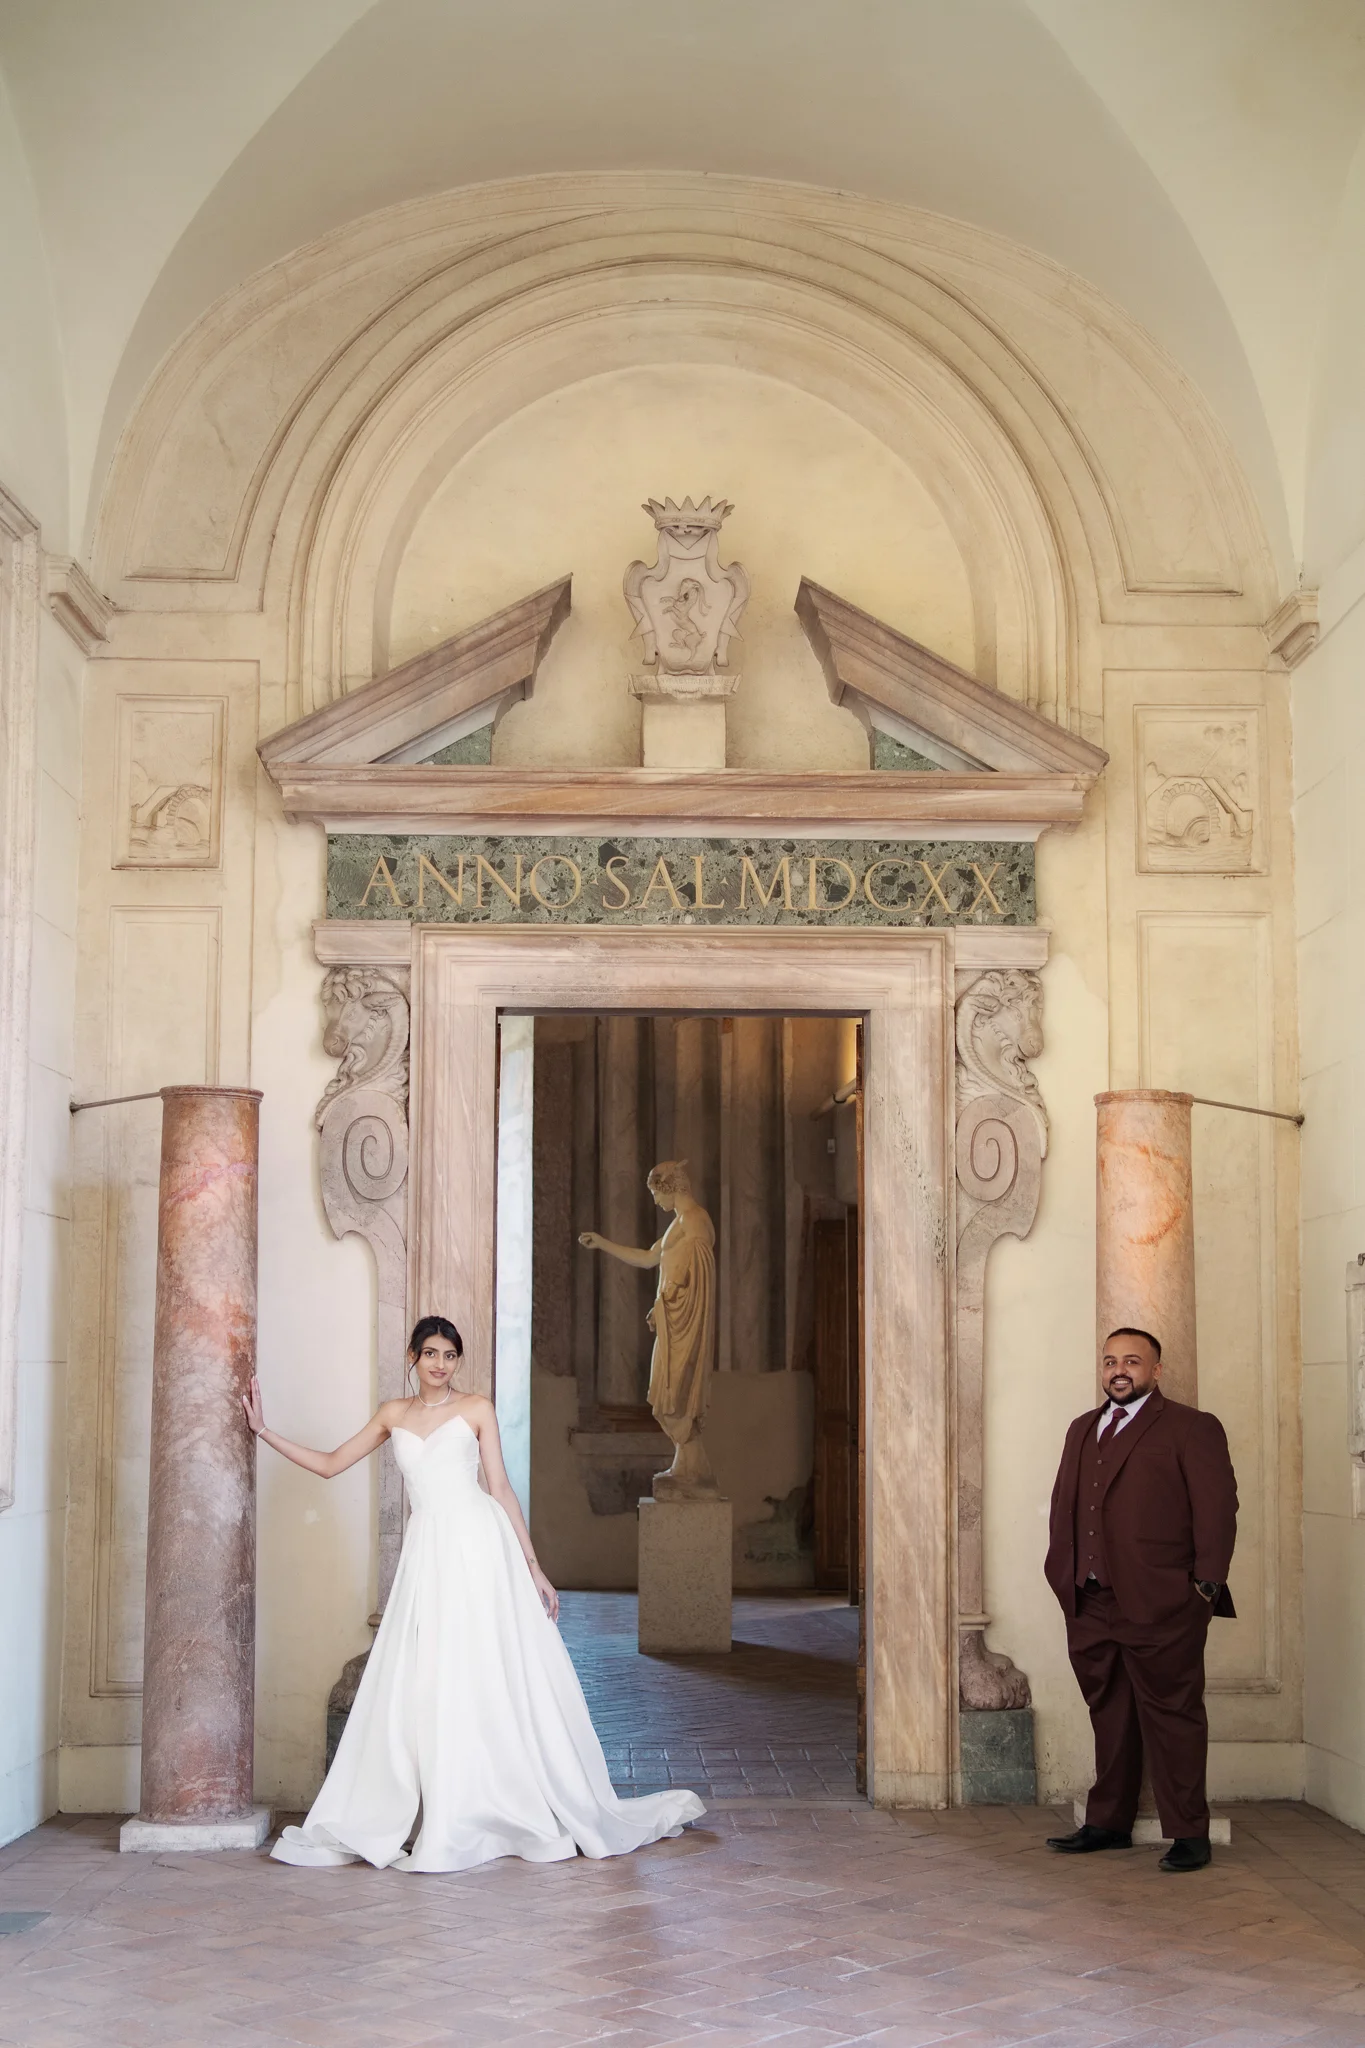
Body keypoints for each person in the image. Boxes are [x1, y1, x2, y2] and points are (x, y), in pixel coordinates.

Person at [244, 1314, 704, 1873]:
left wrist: (534, 1567)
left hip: (480, 1549)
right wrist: (264, 1430)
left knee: (490, 1670)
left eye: (450, 1355)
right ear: (412, 1355)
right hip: (428, 1557)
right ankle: (444, 1803)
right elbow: (330, 1464)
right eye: (431, 1353)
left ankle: (501, 1800)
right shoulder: (393, 1415)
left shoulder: (477, 1407)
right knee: (433, 1675)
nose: (441, 1364)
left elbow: (501, 1488)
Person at [1043, 1327, 1237, 1873]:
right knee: (1109, 1711)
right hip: (1089, 1599)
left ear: (1156, 1370)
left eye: (1132, 1361)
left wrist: (1204, 1586)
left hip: (1163, 1602)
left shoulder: (1191, 1428)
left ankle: (1188, 1833)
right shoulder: (1082, 1428)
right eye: (1110, 1361)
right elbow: (1065, 1506)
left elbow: (1218, 1511)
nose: (1119, 1370)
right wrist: (1062, 1575)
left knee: (1173, 1715)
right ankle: (1108, 1822)